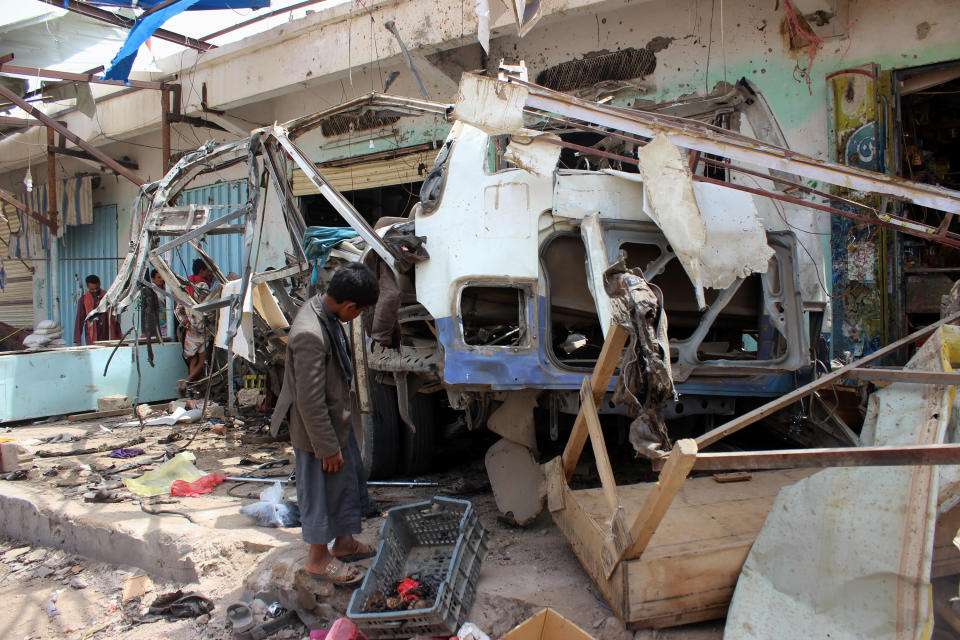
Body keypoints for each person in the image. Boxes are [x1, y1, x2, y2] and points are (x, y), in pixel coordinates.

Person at [270, 262, 379, 584]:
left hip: (336, 421)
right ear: (350, 306)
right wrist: (327, 448)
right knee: (320, 493)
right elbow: (308, 400)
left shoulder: (324, 310)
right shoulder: (309, 333)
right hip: (318, 431)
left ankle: (344, 544)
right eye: (360, 312)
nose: (357, 318)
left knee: (346, 484)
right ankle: (318, 559)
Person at [73, 274, 121, 345]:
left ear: (100, 284)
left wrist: (119, 334)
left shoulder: (108, 298)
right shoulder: (83, 300)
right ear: (87, 287)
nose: (95, 291)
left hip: (107, 335)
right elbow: (79, 320)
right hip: (92, 337)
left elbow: (115, 317)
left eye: (97, 288)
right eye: (92, 289)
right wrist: (78, 341)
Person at [141, 269, 167, 340]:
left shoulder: (166, 290)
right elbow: (144, 312)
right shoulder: (151, 291)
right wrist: (144, 331)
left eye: (162, 277)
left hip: (166, 322)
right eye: (159, 277)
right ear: (153, 279)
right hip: (156, 323)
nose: (161, 279)